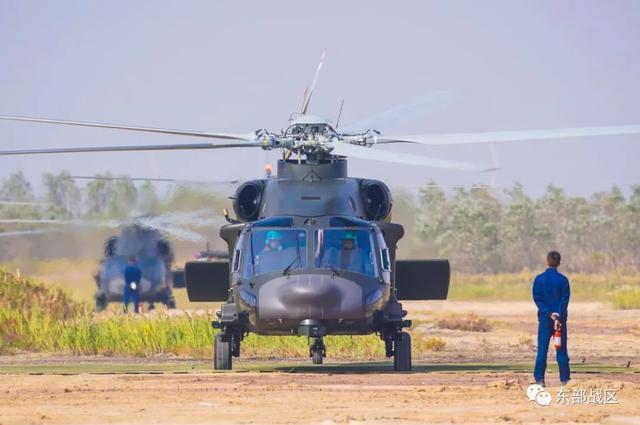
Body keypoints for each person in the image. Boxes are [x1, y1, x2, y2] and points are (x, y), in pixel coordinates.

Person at [532, 250, 571, 387]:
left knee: (542, 350)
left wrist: (549, 314)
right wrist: (557, 315)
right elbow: (564, 301)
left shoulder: (539, 279)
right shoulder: (563, 280)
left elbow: (538, 299)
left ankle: (539, 379)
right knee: (561, 350)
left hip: (545, 320)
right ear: (559, 262)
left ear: (547, 261)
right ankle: (565, 380)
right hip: (559, 323)